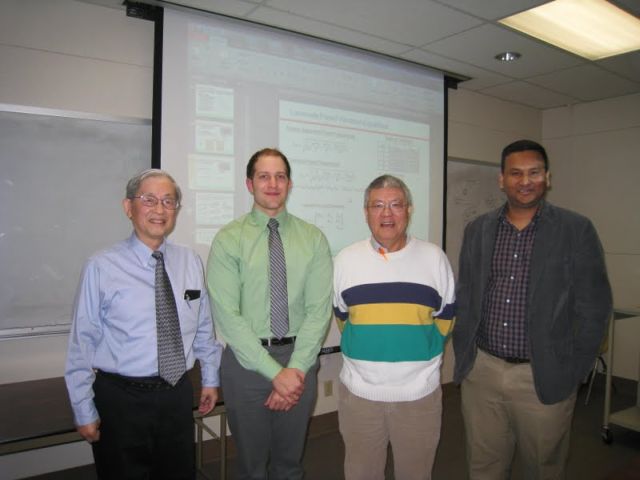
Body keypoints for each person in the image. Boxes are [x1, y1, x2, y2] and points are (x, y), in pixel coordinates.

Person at [453, 139, 612, 479]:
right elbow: (466, 294)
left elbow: (595, 306)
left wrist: (574, 372)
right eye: (516, 173)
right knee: (483, 465)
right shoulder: (478, 229)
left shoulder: (575, 229)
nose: (525, 181)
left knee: (543, 467)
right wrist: (467, 357)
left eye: (534, 172)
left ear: (547, 177)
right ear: (502, 180)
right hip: (482, 371)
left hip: (542, 374)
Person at [65, 169, 222, 479]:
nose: (159, 209)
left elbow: (204, 327)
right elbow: (81, 343)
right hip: (122, 399)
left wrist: (210, 378)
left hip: (176, 393)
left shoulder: (190, 261)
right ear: (128, 207)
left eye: (168, 201)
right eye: (149, 200)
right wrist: (83, 408)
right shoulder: (101, 266)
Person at [206, 147, 333, 480]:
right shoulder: (228, 240)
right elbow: (227, 316)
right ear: (250, 184)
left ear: (289, 184)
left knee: (289, 466)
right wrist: (275, 374)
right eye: (264, 176)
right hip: (246, 364)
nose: (273, 184)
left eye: (280, 176)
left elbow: (318, 311)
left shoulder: (313, 239)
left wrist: (294, 369)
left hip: (299, 359)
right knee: (252, 468)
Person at [333, 174, 456, 480]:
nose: (386, 213)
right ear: (366, 212)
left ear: (409, 210)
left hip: (418, 395)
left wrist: (417, 354)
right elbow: (342, 317)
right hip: (360, 395)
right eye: (377, 205)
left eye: (396, 205)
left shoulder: (434, 258)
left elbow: (446, 317)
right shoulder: (346, 260)